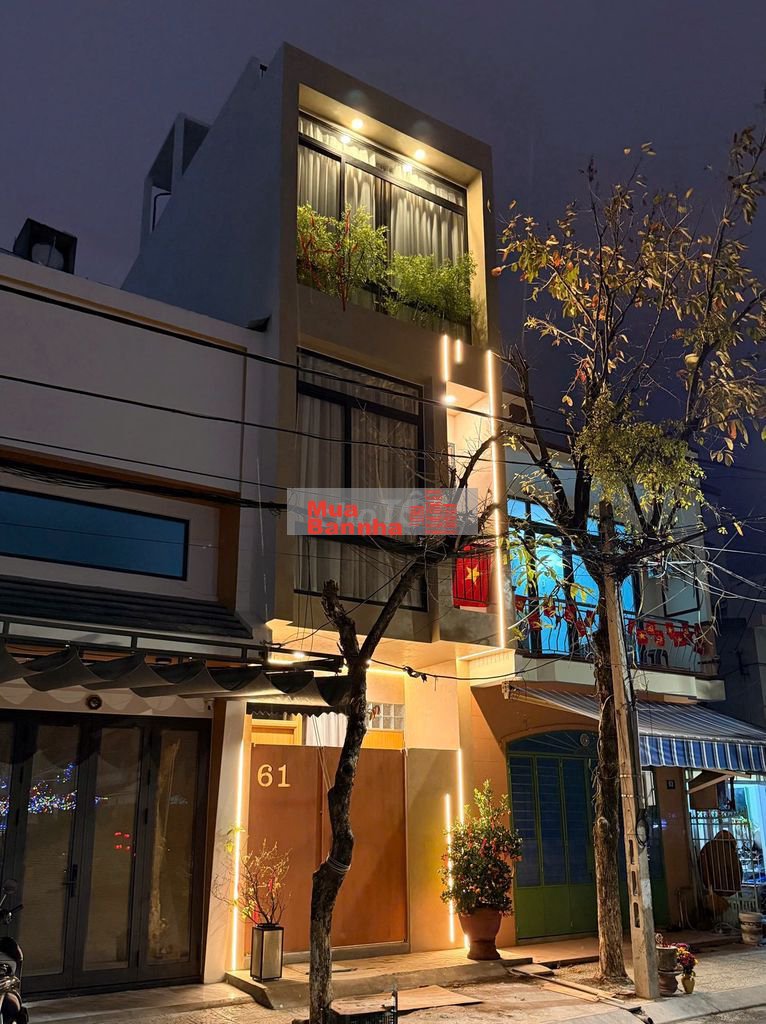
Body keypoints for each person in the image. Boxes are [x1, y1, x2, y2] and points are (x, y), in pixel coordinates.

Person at [699, 830, 743, 896]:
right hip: (731, 887)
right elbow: (737, 870)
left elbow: (704, 867)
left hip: (713, 887)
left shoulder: (708, 848)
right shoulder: (730, 853)